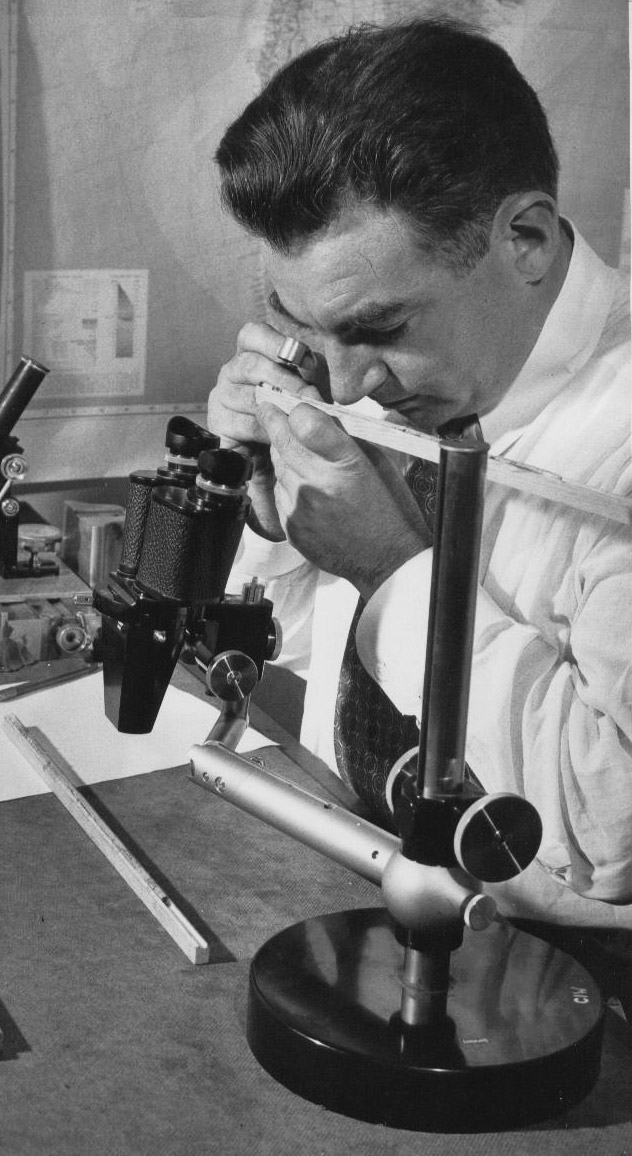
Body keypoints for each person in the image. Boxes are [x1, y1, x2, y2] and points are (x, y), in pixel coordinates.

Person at [208, 18, 631, 944]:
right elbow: (294, 660)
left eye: (380, 329)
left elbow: (615, 837)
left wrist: (394, 572)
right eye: (307, 326)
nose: (349, 383)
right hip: (342, 879)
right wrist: (267, 504)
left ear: (523, 237)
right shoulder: (411, 389)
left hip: (564, 986)